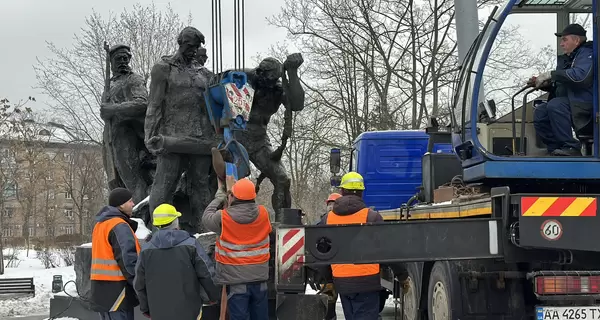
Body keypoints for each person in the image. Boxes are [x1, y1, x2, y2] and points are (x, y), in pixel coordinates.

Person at [145, 26, 217, 230]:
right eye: (190, 46)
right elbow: (154, 103)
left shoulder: (205, 74)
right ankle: (158, 231)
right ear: (180, 43)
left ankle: (205, 232)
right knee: (164, 184)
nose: (193, 51)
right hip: (172, 137)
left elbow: (216, 105)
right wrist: (149, 134)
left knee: (201, 186)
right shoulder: (163, 68)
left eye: (196, 47)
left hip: (201, 139)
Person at [133, 203, 220, 320]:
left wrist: (145, 308)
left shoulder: (146, 250)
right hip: (189, 310)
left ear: (157, 225)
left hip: (159, 311)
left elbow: (139, 284)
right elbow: (207, 274)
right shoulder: (191, 245)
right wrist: (214, 296)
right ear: (176, 221)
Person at [202, 178, 272, 320]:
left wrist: (218, 199)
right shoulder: (264, 213)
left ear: (232, 196)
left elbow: (206, 218)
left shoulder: (223, 217)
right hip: (260, 280)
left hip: (236, 282)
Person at [319, 172, 384, 320]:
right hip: (368, 283)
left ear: (342, 192)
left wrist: (328, 280)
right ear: (361, 193)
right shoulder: (373, 217)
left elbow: (321, 253)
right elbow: (388, 250)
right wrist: (402, 276)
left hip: (342, 283)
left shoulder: (327, 219)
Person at [531, 23, 593, 156]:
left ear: (576, 40)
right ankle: (556, 148)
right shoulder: (568, 59)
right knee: (541, 112)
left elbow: (580, 77)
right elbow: (563, 85)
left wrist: (551, 74)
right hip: (572, 103)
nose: (561, 44)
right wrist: (545, 84)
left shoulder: (587, 54)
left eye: (565, 40)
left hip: (586, 105)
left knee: (556, 105)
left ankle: (572, 147)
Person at [90, 188, 140, 320]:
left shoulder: (100, 224)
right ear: (121, 204)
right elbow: (127, 260)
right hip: (118, 292)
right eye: (130, 201)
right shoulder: (119, 225)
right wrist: (140, 285)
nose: (133, 204)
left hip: (102, 291)